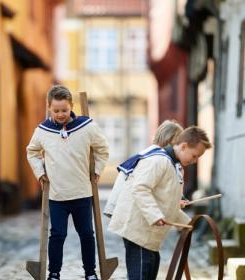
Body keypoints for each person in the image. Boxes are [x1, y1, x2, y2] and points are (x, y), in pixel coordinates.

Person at [26, 85, 109, 280]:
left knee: (87, 234)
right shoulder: (43, 130)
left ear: (71, 106)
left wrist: (97, 170)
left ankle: (90, 272)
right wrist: (40, 172)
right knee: (57, 235)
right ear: (49, 108)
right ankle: (54, 273)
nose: (60, 114)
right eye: (56, 110)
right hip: (57, 194)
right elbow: (32, 151)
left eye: (64, 110)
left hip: (82, 192)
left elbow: (102, 148)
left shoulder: (86, 126)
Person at [108, 126, 211, 280]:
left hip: (150, 236)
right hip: (138, 231)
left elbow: (166, 201)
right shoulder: (157, 160)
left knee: (151, 268)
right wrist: (155, 215)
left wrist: (187, 223)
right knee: (141, 275)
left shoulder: (173, 166)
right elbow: (140, 188)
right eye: (194, 156)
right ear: (183, 146)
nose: (195, 161)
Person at [103, 120, 183, 217]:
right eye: (179, 141)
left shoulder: (171, 161)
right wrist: (113, 207)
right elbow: (125, 181)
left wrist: (178, 199)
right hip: (132, 210)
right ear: (170, 139)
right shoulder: (149, 157)